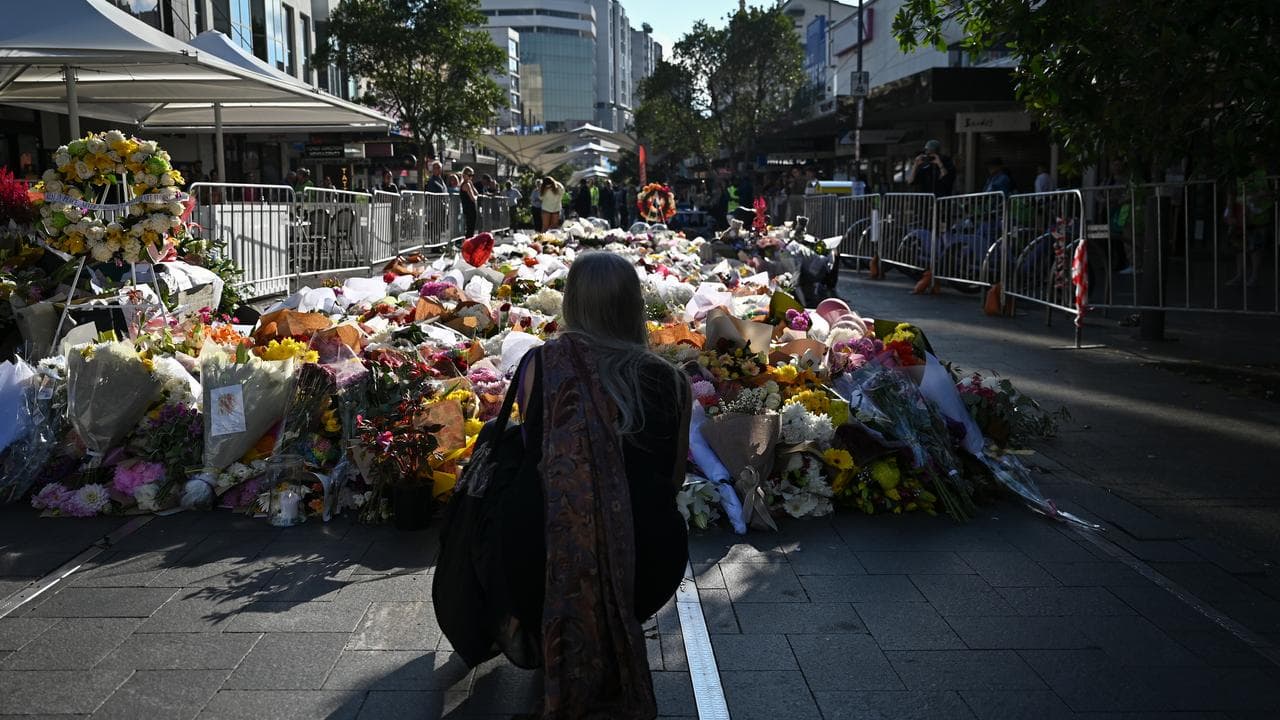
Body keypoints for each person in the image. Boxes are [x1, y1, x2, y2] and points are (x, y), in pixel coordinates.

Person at [500, 251, 691, 718]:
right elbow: (673, 480)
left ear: (572, 303)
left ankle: (541, 628)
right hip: (646, 568)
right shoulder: (671, 381)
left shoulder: (540, 366)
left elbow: (534, 454)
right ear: (633, 306)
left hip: (540, 564)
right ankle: (613, 623)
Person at [460, 166, 478, 236]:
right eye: (469, 175)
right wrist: (476, 197)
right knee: (470, 229)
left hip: (469, 208)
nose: (471, 177)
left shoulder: (468, 184)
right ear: (464, 175)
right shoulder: (466, 185)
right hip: (469, 209)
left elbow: (476, 192)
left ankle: (469, 241)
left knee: (470, 228)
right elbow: (473, 198)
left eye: (472, 175)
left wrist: (472, 184)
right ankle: (468, 241)